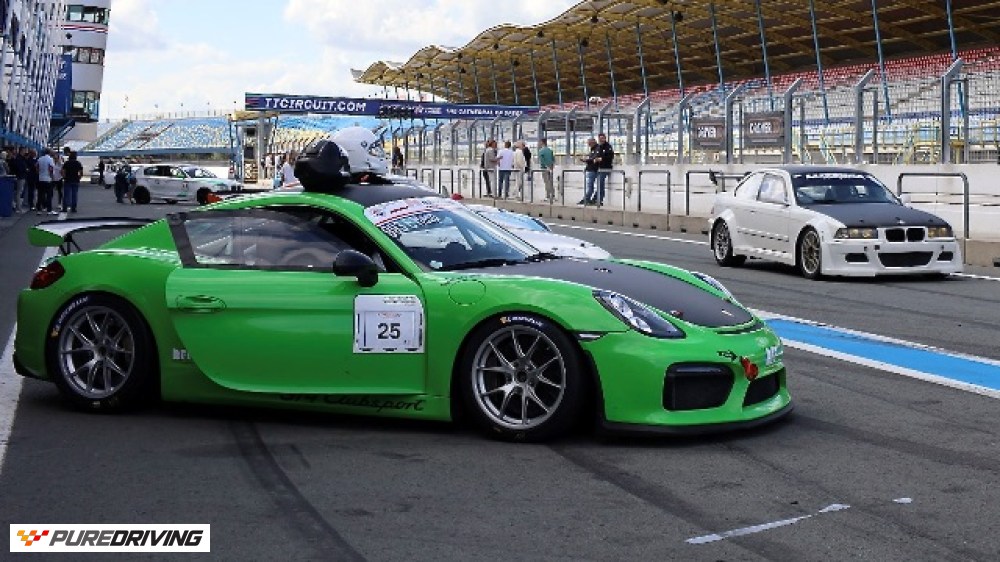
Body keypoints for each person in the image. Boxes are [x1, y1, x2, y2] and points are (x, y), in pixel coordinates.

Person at [595, 133, 615, 205]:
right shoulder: (598, 147)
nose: (601, 140)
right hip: (599, 168)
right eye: (600, 138)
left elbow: (610, 156)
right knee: (599, 184)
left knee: (600, 183)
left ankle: (599, 199)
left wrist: (601, 159)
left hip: (605, 167)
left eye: (603, 138)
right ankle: (596, 199)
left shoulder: (608, 147)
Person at [579, 138, 600, 205]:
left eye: (589, 143)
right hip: (591, 169)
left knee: (590, 186)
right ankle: (587, 199)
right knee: (590, 186)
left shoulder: (597, 149)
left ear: (592, 143)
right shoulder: (593, 149)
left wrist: (586, 160)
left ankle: (586, 199)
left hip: (593, 169)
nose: (588, 145)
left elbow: (594, 159)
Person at [35, 148, 56, 215]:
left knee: (40, 195)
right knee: (49, 195)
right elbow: (51, 169)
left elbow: (36, 167)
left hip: (40, 178)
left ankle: (39, 210)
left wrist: (39, 173)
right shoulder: (50, 159)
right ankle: (49, 210)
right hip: (48, 179)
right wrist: (52, 177)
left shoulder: (40, 159)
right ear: (49, 153)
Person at [537, 138, 555, 203]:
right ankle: (553, 195)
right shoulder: (550, 150)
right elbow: (553, 159)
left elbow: (542, 160)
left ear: (542, 142)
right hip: (550, 168)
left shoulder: (541, 151)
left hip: (544, 168)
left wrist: (546, 166)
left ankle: (548, 196)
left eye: (540, 142)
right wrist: (551, 166)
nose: (539, 143)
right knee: (551, 182)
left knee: (546, 182)